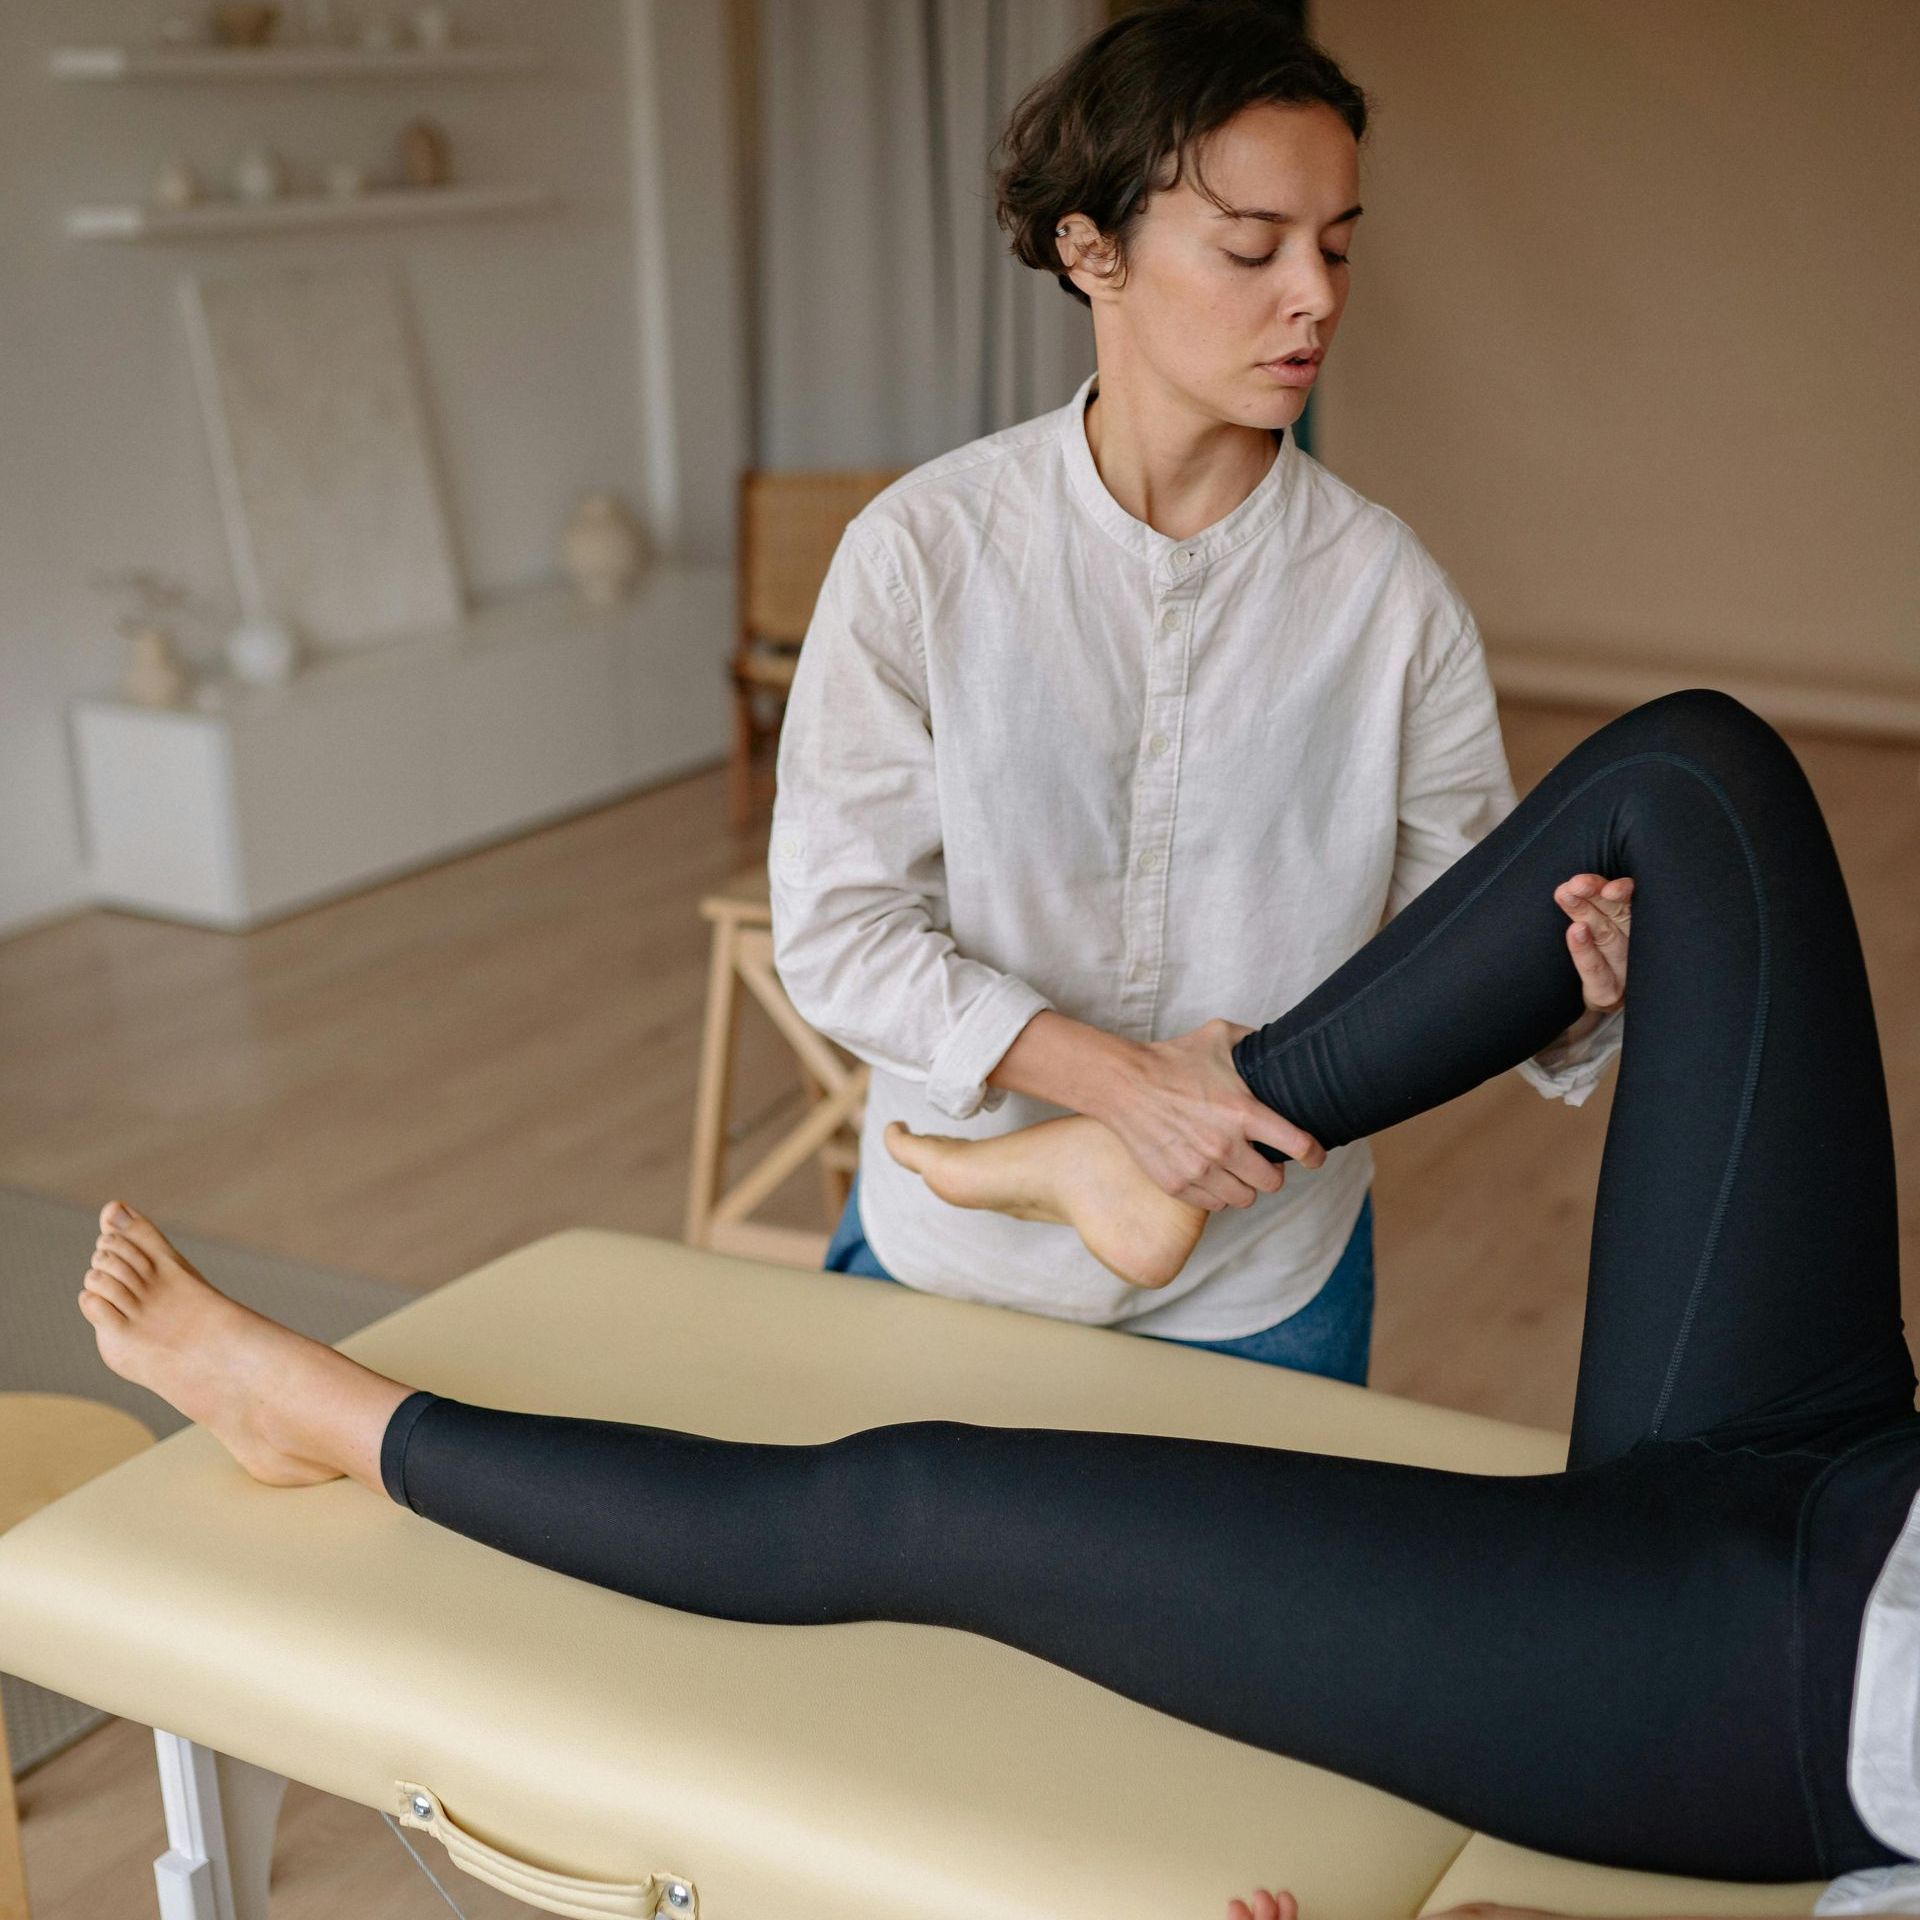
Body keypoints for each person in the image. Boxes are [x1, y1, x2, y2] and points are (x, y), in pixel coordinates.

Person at [79, 692, 1918, 1914]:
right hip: (1859, 1461)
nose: (1308, 295)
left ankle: (315, 1413)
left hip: (1763, 1685)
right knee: (1694, 782)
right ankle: (1163, 1146)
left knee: (920, 1500)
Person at [773, 0, 1631, 1386]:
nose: (1317, 295)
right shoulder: (922, 556)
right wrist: (1123, 1092)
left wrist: (1577, 991)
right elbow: (839, 933)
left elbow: (1456, 933)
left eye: (1338, 246)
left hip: (1264, 1286)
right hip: (953, 1267)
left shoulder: (1387, 597)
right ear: (1090, 248)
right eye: (1252, 248)